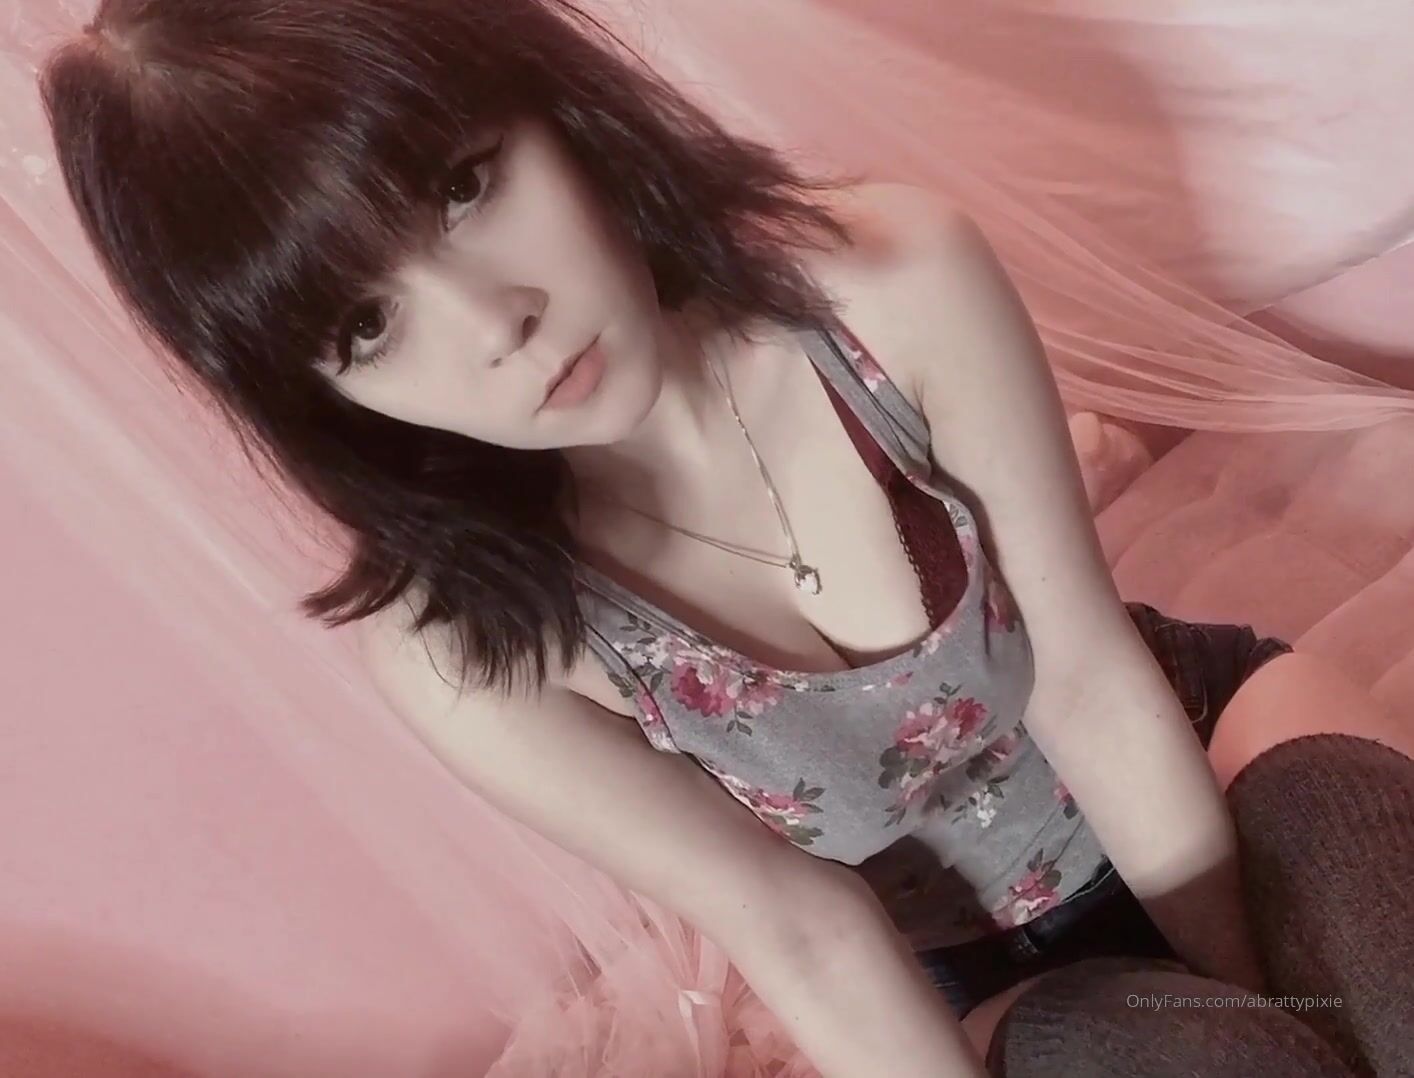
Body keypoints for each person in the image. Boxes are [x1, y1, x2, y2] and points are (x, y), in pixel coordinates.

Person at [37, 1, 1414, 1075]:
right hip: (993, 969)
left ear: (551, 106)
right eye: (364, 325)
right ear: (314, 394)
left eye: (461, 185)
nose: (494, 323)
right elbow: (803, 930)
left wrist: (1275, 1004)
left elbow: (1089, 676)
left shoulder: (884, 286)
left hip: (1197, 744)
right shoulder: (466, 650)